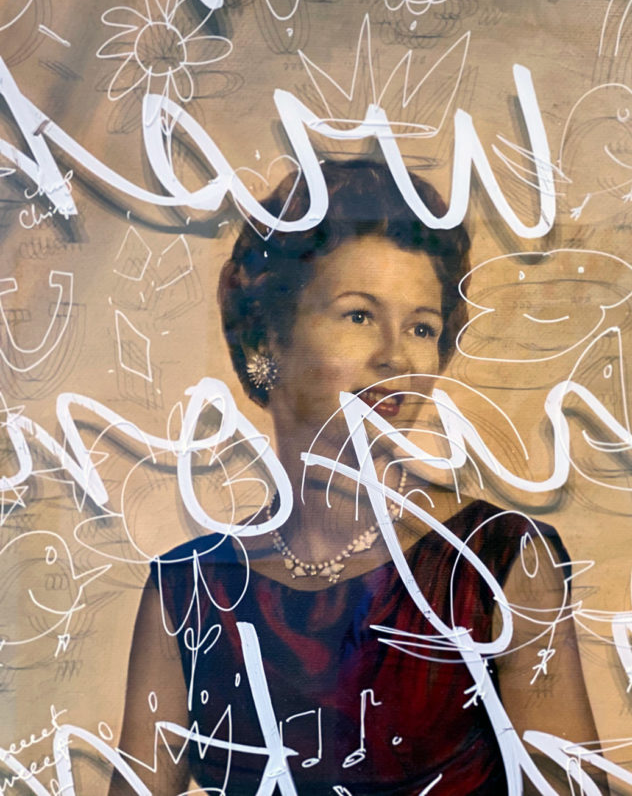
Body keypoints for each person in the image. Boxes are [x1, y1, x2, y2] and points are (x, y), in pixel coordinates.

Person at [111, 159, 606, 795]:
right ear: (267, 337)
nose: (395, 356)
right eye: (359, 316)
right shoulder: (190, 589)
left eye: (422, 328)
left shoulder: (498, 561)